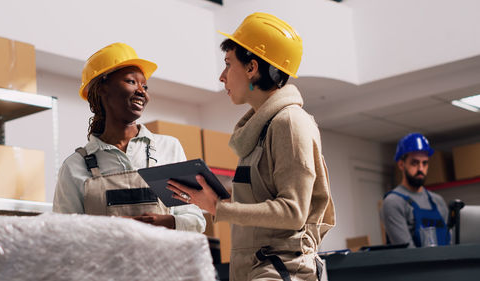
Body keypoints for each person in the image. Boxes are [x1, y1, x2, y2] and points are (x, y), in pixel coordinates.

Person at [167, 12, 335, 281]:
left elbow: (293, 212)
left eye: (228, 64)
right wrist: (217, 197)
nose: (222, 76)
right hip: (257, 268)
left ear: (251, 68)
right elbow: (264, 199)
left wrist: (220, 208)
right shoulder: (262, 129)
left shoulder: (290, 123)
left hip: (282, 271)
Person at [53, 43, 205, 233]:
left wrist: (162, 222)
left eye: (145, 85)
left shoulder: (169, 147)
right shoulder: (74, 166)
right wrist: (111, 228)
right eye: (131, 81)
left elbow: (195, 220)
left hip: (163, 262)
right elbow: (63, 233)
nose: (142, 91)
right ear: (102, 88)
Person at [382, 133, 450, 247]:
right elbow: (407, 253)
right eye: (415, 163)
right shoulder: (393, 202)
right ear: (401, 165)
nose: (421, 169)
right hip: (417, 265)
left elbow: (450, 242)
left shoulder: (438, 201)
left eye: (425, 163)